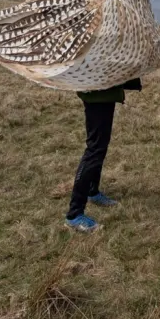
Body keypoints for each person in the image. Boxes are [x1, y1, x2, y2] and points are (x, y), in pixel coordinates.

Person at [64, 77, 142, 232]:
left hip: (105, 90)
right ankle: (74, 214)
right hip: (97, 91)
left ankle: (93, 191)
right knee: (94, 150)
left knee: (100, 146)